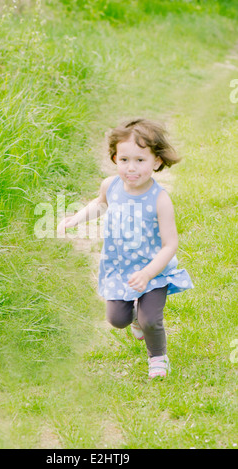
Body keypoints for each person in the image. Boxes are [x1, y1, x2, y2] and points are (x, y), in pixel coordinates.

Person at [57, 118, 193, 378]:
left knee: (151, 319)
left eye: (140, 161)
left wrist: (148, 273)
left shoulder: (160, 200)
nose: (131, 168)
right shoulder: (112, 186)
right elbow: (100, 204)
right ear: (115, 159)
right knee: (117, 319)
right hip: (119, 268)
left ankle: (158, 357)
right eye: (124, 160)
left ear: (157, 162)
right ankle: (134, 320)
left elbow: (170, 244)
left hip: (152, 270)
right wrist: (75, 218)